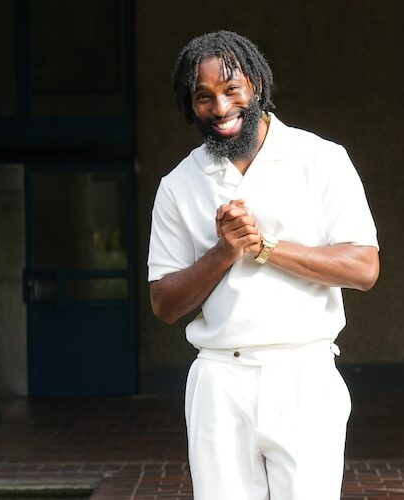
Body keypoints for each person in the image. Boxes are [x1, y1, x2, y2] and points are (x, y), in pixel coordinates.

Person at [147, 30, 379, 500]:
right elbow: (164, 304)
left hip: (304, 370)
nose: (220, 107)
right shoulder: (178, 185)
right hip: (219, 378)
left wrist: (264, 247)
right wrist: (224, 252)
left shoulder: (321, 159)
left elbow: (363, 268)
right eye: (203, 97)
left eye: (231, 89)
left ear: (255, 84)